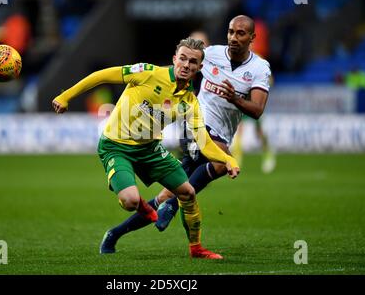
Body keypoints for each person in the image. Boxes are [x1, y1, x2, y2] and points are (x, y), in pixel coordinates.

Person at [52, 37, 240, 260]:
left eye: (192, 61)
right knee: (130, 201)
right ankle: (141, 205)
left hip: (150, 149)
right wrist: (65, 96)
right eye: (182, 59)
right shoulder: (148, 73)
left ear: (199, 67)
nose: (186, 65)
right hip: (116, 146)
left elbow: (204, 143)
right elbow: (101, 76)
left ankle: (196, 249)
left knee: (188, 192)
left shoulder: (190, 102)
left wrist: (229, 160)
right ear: (174, 59)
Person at [100, 15, 272, 253]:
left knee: (171, 193)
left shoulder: (259, 69)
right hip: (196, 125)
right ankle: (171, 206)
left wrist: (234, 98)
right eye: (231, 32)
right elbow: (190, 57)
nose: (234, 37)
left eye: (240, 33)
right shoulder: (212, 54)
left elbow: (257, 110)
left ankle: (118, 232)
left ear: (252, 38)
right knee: (220, 162)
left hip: (221, 134)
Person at [231, 17, 276, 173]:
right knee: (239, 129)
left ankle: (268, 154)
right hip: (243, 101)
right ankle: (237, 159)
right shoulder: (239, 59)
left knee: (259, 132)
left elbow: (270, 79)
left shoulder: (259, 61)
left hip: (254, 103)